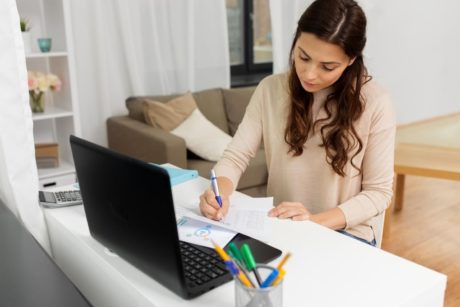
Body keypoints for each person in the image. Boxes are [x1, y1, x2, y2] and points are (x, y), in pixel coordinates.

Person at [199, 0, 395, 246]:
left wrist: (313, 221)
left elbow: (378, 193)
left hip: (346, 232)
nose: (309, 74)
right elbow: (236, 156)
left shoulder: (376, 102)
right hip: (283, 226)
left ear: (351, 60)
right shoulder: (270, 89)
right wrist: (219, 193)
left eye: (327, 66)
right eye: (303, 56)